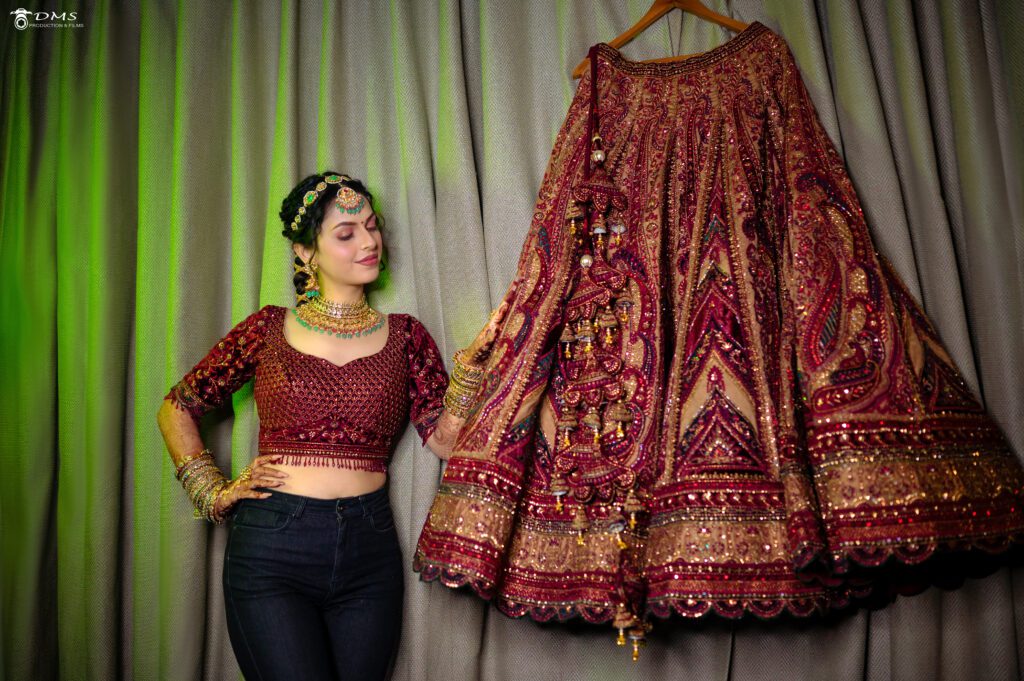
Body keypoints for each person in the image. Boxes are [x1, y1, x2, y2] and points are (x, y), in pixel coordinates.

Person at [156, 172, 504, 681]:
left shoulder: (406, 336)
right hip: (272, 548)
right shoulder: (267, 329)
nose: (369, 242)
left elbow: (448, 443)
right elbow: (176, 408)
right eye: (346, 233)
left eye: (372, 226)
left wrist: (472, 367)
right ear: (306, 253)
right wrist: (210, 491)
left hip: (370, 549)